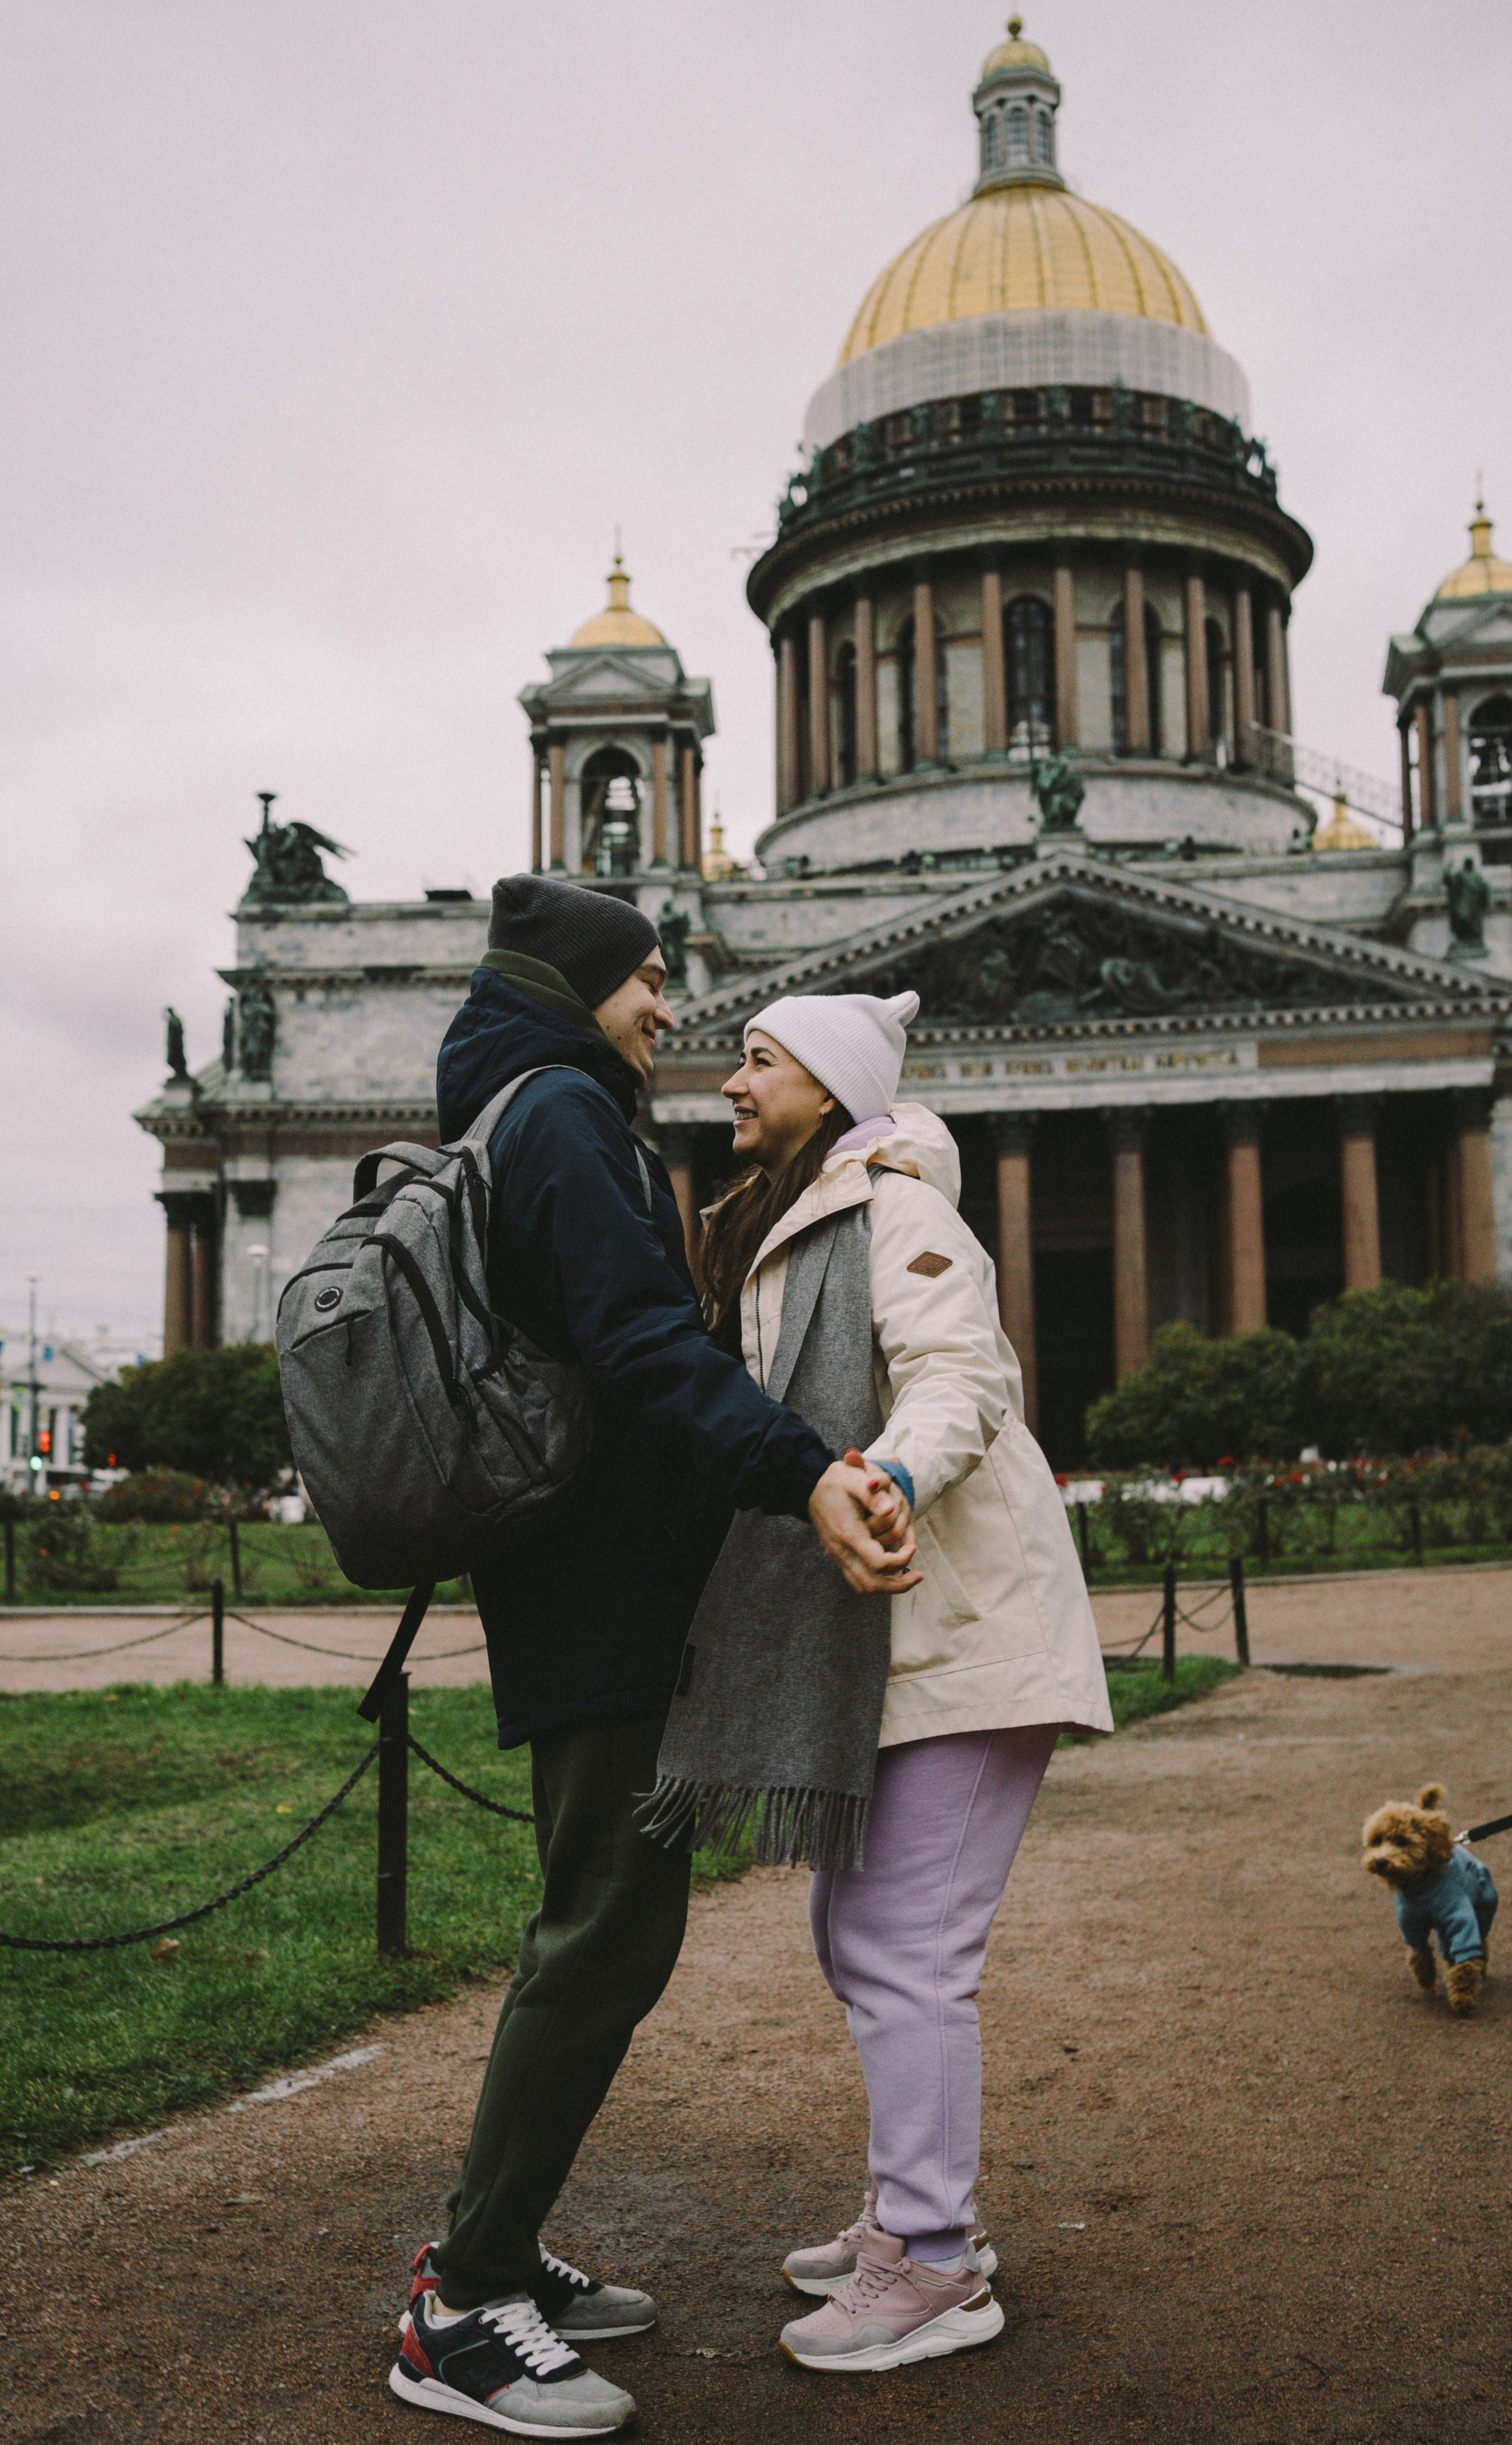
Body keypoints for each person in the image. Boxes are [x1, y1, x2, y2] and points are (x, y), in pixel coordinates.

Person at [391, 880, 914, 2437]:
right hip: (598, 1577)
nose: (668, 1003)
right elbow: (635, 1348)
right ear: (581, 982)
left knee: (602, 1920)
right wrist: (799, 1464)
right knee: (604, 1929)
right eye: (648, 976)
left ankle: (492, 2255)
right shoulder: (558, 1113)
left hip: (586, 1572)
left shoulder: (537, 1101)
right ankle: (462, 2306)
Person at [651, 988, 1112, 2378]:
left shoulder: (899, 1211)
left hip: (964, 1630)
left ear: (832, 1088)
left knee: (907, 1950)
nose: (729, 1082)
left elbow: (958, 1383)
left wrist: (883, 1479)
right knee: (855, 1936)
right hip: (898, 1643)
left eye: (758, 1060)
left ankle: (932, 2260)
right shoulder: (796, 1220)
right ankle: (903, 2221)